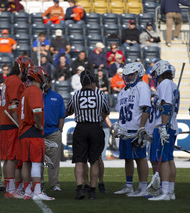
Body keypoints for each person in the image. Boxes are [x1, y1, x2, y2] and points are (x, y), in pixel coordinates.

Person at [66, 70, 110, 199]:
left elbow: (68, 111)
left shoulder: (76, 95)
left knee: (79, 161)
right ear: (91, 84)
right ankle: (92, 190)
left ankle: (80, 188)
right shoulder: (99, 95)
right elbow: (106, 111)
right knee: (94, 160)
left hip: (81, 128)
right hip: (95, 128)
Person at [0, 56, 34, 199]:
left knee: (9, 158)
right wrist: (21, 124)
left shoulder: (10, 80)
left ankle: (10, 188)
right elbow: (13, 105)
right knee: (11, 157)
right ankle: (10, 189)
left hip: (7, 122)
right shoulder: (15, 81)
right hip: (11, 122)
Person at [17, 66, 55, 201]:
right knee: (36, 162)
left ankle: (27, 191)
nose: (45, 79)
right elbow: (37, 111)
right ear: (38, 76)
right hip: (32, 130)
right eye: (43, 77)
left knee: (26, 163)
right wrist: (39, 125)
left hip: (23, 131)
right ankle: (37, 191)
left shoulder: (25, 92)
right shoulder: (35, 91)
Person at [113, 62, 150, 198]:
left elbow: (146, 109)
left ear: (139, 74)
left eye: (131, 75)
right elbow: (121, 112)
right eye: (126, 75)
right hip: (124, 129)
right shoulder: (123, 91)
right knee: (127, 158)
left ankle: (143, 187)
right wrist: (117, 125)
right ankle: (129, 186)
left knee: (140, 158)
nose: (128, 78)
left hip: (135, 129)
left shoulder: (142, 86)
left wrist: (141, 128)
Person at [148, 60, 179, 201]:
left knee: (164, 159)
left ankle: (165, 192)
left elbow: (166, 106)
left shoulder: (165, 84)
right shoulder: (172, 85)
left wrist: (162, 127)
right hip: (171, 125)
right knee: (169, 158)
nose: (154, 76)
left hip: (164, 125)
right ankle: (170, 191)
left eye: (155, 73)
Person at [42, 74, 65, 191]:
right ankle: (39, 185)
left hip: (53, 132)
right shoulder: (35, 96)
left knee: (54, 161)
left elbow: (62, 116)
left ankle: (54, 184)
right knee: (38, 161)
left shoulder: (57, 97)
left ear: (51, 82)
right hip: (38, 133)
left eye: (47, 81)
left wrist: (59, 130)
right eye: (43, 81)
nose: (45, 83)